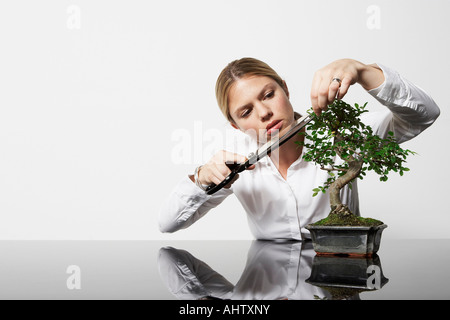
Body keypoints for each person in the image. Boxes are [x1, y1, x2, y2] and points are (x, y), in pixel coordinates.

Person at [159, 57, 440, 240]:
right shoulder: (234, 159)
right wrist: (201, 177)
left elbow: (424, 114)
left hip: (340, 276)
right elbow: (168, 224)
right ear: (234, 125)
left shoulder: (341, 131)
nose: (264, 113)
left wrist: (363, 71)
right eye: (246, 112)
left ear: (285, 89)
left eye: (269, 95)